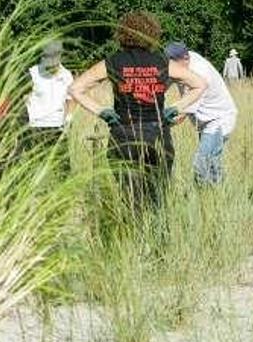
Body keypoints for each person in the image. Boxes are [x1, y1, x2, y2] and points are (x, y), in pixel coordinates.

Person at [69, 11, 207, 207]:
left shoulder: (112, 62)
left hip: (124, 133)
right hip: (157, 133)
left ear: (122, 34)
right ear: (152, 33)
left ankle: (132, 231)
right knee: (157, 193)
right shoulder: (162, 62)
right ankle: (157, 232)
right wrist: (175, 108)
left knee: (129, 193)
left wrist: (101, 111)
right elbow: (200, 84)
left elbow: (75, 88)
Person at [165, 42, 238, 185]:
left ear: (185, 58)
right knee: (212, 162)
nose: (170, 67)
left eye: (172, 63)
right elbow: (166, 82)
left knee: (202, 162)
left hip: (218, 120)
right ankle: (218, 194)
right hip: (205, 120)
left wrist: (158, 121)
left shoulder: (199, 73)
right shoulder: (185, 61)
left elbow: (181, 114)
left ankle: (207, 197)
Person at [25, 40, 75, 147]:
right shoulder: (33, 73)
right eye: (47, 55)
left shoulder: (67, 75)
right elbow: (24, 97)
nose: (51, 59)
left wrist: (69, 120)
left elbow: (70, 99)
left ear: (60, 55)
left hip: (58, 127)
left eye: (54, 55)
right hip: (36, 127)